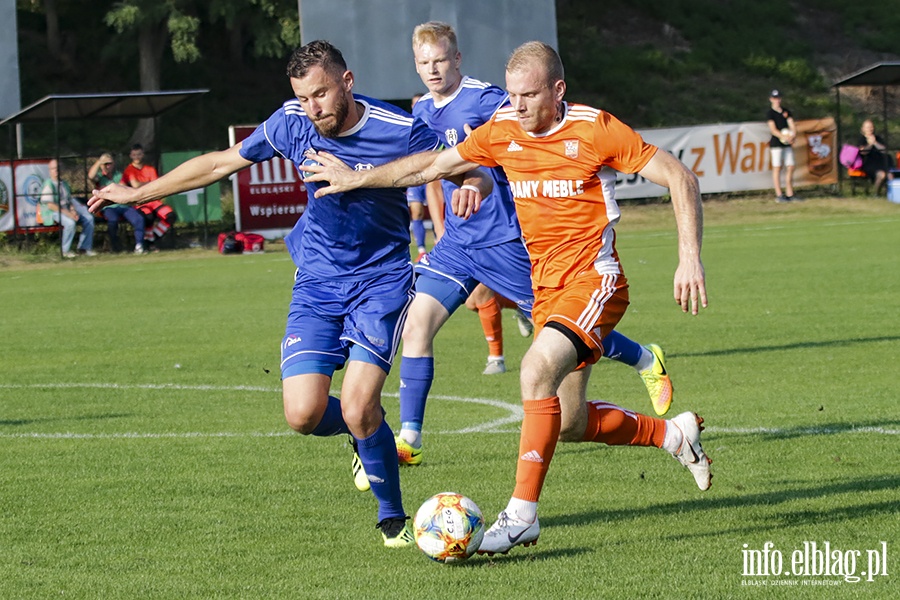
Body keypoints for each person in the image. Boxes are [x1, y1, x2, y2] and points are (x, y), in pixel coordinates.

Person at [303, 41, 711, 556]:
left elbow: (679, 175)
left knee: (534, 371)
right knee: (569, 420)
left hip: (595, 279)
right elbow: (427, 167)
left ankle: (521, 517)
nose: (516, 106)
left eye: (529, 95)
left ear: (558, 90)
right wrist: (356, 177)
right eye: (512, 95)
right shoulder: (502, 132)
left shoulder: (595, 128)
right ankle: (673, 436)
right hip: (546, 288)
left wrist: (689, 257)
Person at [88, 40, 488, 549]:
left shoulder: (398, 127)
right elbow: (217, 164)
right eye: (303, 97)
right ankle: (360, 435)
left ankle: (393, 519)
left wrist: (473, 181)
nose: (313, 107)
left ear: (346, 82)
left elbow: (460, 165)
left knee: (361, 403)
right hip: (317, 282)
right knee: (302, 415)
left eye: (320, 93)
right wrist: (135, 194)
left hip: (380, 281)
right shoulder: (292, 121)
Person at [386, 23, 678, 470]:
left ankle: (642, 356)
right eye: (424, 63)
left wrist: (480, 182)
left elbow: (518, 150)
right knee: (415, 326)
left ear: (458, 59)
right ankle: (410, 438)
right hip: (459, 243)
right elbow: (436, 166)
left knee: (563, 333)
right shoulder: (421, 109)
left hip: (506, 241)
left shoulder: (490, 100)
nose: (433, 70)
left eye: (440, 60)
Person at [88, 153, 146, 254]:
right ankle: (115, 248)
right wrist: (99, 162)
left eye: (110, 164)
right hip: (109, 207)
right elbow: (91, 176)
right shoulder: (100, 177)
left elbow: (123, 186)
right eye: (105, 164)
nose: (108, 166)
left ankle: (139, 245)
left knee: (139, 219)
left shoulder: (118, 175)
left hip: (123, 205)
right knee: (113, 221)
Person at [39, 159, 95, 258]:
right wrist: (69, 214)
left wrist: (73, 211)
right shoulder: (48, 184)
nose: (56, 171)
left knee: (89, 219)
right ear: (49, 170)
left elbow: (69, 200)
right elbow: (50, 205)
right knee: (70, 223)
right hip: (52, 212)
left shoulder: (64, 184)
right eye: (53, 169)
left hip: (66, 210)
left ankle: (84, 248)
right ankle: (65, 251)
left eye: (58, 168)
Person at [766, 89, 796, 202]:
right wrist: (783, 137)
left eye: (778, 98)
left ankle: (790, 193)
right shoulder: (770, 113)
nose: (777, 100)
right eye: (774, 98)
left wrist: (792, 136)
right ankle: (779, 194)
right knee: (777, 167)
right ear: (771, 99)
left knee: (791, 166)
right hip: (776, 144)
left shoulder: (786, 111)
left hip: (787, 143)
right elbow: (773, 130)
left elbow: (792, 125)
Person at [857, 119, 891, 195]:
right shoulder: (862, 139)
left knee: (890, 175)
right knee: (881, 174)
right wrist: (870, 144)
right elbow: (862, 152)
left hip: (880, 163)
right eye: (868, 127)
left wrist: (875, 143)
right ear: (863, 129)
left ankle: (890, 195)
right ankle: (876, 193)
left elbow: (884, 150)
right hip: (868, 164)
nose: (870, 129)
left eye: (871, 127)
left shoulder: (878, 138)